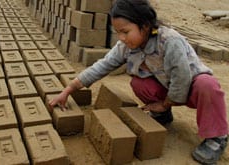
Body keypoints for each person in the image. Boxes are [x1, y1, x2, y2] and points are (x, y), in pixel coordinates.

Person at [48, 0, 228, 164]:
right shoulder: (125, 47)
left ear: (145, 26)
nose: (121, 38)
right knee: (139, 84)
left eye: (125, 32)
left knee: (207, 85)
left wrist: (165, 104)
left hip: (192, 89)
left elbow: (182, 79)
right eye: (117, 32)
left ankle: (217, 136)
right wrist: (69, 90)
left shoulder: (169, 41)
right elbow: (102, 66)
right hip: (168, 87)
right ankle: (164, 116)